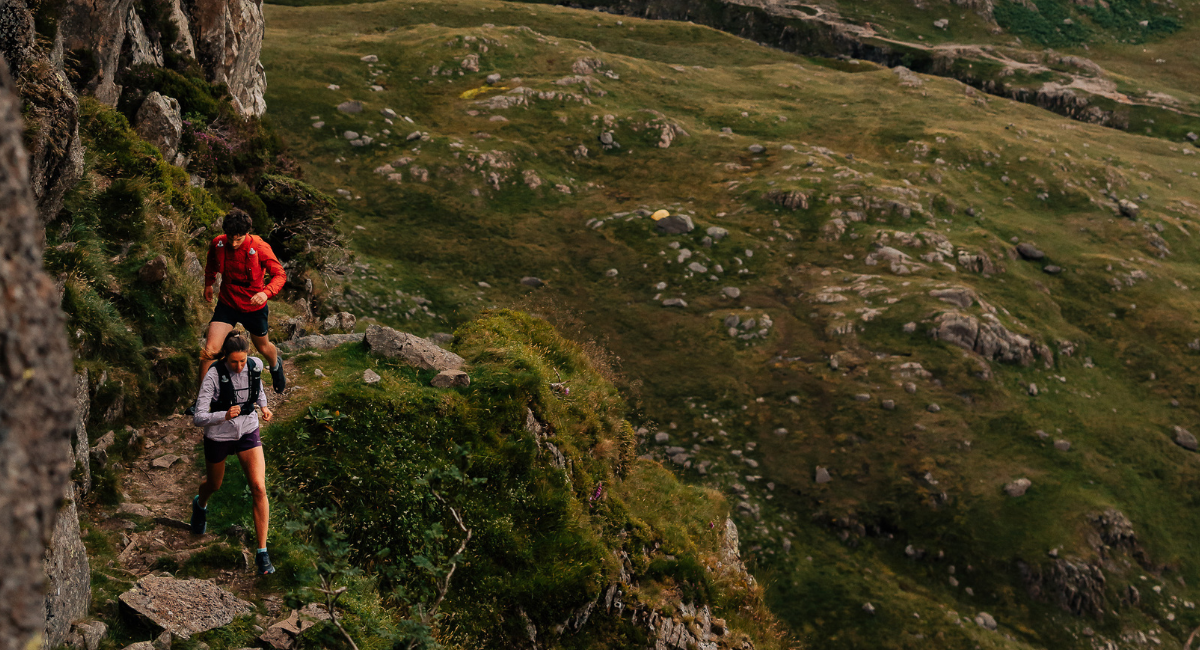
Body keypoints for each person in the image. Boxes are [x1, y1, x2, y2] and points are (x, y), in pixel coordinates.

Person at [191, 331, 276, 575]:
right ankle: (201, 503)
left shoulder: (255, 365)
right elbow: (198, 417)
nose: (239, 367)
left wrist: (264, 407)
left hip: (248, 430)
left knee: (259, 487)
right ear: (224, 358)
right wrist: (223, 415)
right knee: (214, 484)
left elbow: (257, 387)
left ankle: (262, 552)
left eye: (242, 360)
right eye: (233, 362)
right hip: (218, 435)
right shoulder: (213, 376)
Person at [199, 208, 287, 396]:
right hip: (227, 302)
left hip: (254, 306)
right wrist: (209, 283)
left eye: (238, 238)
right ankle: (203, 398)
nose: (233, 242)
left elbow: (280, 274)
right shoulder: (219, 243)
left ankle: (275, 364)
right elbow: (212, 264)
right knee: (210, 350)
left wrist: (266, 293)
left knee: (264, 347)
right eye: (230, 237)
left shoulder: (260, 247)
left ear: (246, 233)